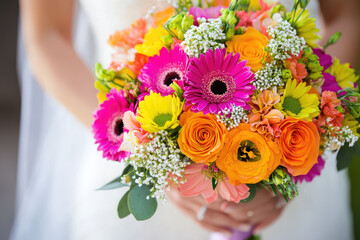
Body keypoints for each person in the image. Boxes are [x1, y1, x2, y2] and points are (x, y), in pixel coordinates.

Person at [11, 0, 360, 239]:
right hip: (137, 176)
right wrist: (153, 159)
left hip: (298, 169)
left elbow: (348, 14)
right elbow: (46, 37)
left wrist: (289, 156)